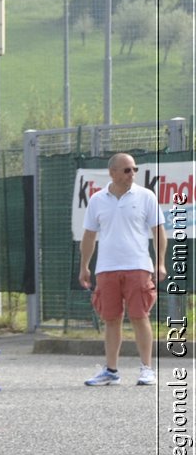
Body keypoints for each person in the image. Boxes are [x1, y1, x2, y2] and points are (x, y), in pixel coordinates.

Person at [80, 152, 166, 386]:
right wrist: (84, 267)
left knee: (139, 316)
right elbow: (89, 235)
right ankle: (111, 370)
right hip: (106, 268)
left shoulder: (146, 196)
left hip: (138, 266)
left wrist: (159, 262)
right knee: (111, 319)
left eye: (135, 169)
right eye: (127, 170)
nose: (133, 174)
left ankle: (147, 369)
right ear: (113, 172)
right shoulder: (97, 200)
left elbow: (158, 231)